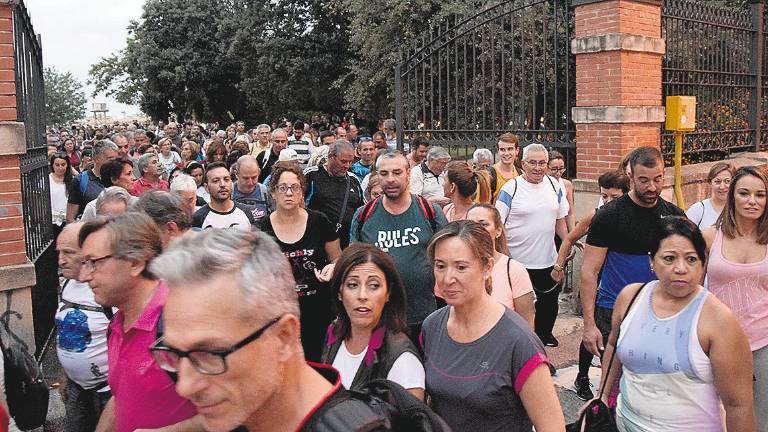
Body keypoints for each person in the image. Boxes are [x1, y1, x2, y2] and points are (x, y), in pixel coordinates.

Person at [149, 229, 447, 431]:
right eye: (174, 354)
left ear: (284, 336)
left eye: (210, 354)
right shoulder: (334, 335)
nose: (184, 386)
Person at [599, 216, 756, 432]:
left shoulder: (718, 320)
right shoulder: (630, 298)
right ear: (651, 261)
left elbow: (739, 405)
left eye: (691, 259)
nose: (680, 268)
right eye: (669, 258)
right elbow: (613, 346)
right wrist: (602, 396)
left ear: (703, 262)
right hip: (624, 423)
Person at [421, 220, 565, 431]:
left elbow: (552, 426)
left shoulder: (519, 341)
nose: (448, 278)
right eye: (440, 266)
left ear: (487, 267)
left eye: (461, 267)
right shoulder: (432, 326)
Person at [77, 213, 201, 432]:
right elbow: (121, 397)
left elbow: (238, 409)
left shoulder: (183, 322)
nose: (83, 276)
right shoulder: (116, 324)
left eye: (93, 263)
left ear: (134, 263)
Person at [579, 147, 685, 389]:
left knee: (654, 383)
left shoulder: (674, 216)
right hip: (613, 312)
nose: (652, 187)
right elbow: (589, 272)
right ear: (631, 178)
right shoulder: (608, 216)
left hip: (659, 312)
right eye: (644, 180)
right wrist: (589, 324)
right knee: (613, 386)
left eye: (658, 179)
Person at [351, 151, 448, 340]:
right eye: (384, 174)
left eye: (397, 172)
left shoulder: (429, 211)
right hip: (379, 319)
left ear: (408, 174)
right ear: (377, 176)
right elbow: (354, 264)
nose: (390, 179)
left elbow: (447, 258)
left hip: (424, 317)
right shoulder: (364, 215)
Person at [550, 169, 630, 400]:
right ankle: (582, 376)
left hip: (621, 285)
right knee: (592, 331)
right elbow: (569, 238)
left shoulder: (633, 216)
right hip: (596, 282)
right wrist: (559, 265)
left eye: (614, 197)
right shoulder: (596, 215)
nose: (607, 201)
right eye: (604, 196)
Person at [703, 166, 768, 431]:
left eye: (760, 195)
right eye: (744, 193)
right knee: (713, 417)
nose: (752, 201)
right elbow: (692, 292)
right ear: (732, 196)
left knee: (761, 419)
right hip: (716, 343)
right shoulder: (709, 236)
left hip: (764, 344)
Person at [320, 243, 425, 398]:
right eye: (352, 285)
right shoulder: (334, 333)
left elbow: (412, 421)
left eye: (374, 286)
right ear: (339, 292)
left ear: (388, 293)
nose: (362, 295)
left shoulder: (402, 359)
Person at [260, 164, 341, 362]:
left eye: (294, 187)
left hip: (318, 313)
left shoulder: (319, 221)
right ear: (273, 192)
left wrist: (332, 267)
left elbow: (338, 257)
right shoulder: (262, 229)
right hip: (280, 317)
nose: (289, 193)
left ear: (301, 191)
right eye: (283, 188)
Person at [495, 143, 569, 347]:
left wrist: (566, 249)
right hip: (518, 262)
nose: (538, 168)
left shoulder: (556, 186)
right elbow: (497, 224)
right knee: (520, 311)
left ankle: (541, 344)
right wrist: (506, 258)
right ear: (523, 163)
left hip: (548, 260)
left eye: (542, 163)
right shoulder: (511, 188)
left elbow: (560, 221)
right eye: (532, 163)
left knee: (549, 305)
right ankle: (520, 348)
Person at [55, 222, 112, 432]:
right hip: (77, 389)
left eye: (68, 252)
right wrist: (65, 374)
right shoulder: (67, 284)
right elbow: (64, 332)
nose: (61, 260)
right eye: (59, 252)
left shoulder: (106, 290)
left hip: (108, 393)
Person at [466, 204, 535, 327]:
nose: (476, 229)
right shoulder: (455, 266)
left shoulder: (514, 270)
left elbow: (527, 324)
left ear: (498, 231)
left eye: (483, 224)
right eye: (470, 224)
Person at [304, 140, 364, 248]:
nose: (347, 166)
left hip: (346, 244)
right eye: (343, 161)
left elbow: (362, 210)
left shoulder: (354, 180)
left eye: (351, 162)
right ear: (331, 157)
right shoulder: (311, 175)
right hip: (316, 242)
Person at [192, 162, 257, 230]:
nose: (222, 184)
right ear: (206, 187)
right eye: (216, 181)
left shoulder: (245, 212)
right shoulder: (199, 217)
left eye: (226, 179)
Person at [67, 139, 119, 222]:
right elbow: (70, 218)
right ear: (96, 159)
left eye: (117, 159)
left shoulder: (119, 178)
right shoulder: (80, 181)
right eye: (111, 159)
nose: (115, 163)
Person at [687, 162, 735, 228]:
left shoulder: (739, 209)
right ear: (710, 183)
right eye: (717, 182)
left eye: (727, 181)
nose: (722, 187)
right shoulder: (697, 210)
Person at [231, 155, 273, 223]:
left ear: (259, 172)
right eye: (245, 178)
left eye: (254, 177)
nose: (250, 183)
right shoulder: (229, 193)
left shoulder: (265, 192)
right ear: (236, 174)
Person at [490, 133, 521, 202]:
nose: (506, 153)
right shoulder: (490, 175)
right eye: (502, 149)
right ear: (498, 151)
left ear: (517, 151)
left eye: (510, 149)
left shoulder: (521, 174)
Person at [548, 150, 574, 231]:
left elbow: (570, 213)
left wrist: (573, 235)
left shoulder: (567, 185)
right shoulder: (542, 185)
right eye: (554, 169)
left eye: (561, 169)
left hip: (563, 230)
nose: (558, 173)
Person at [50, 152, 73, 230]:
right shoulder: (46, 180)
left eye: (63, 165)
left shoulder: (72, 180)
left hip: (68, 221)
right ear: (52, 166)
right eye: (57, 165)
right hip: (51, 221)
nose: (60, 168)